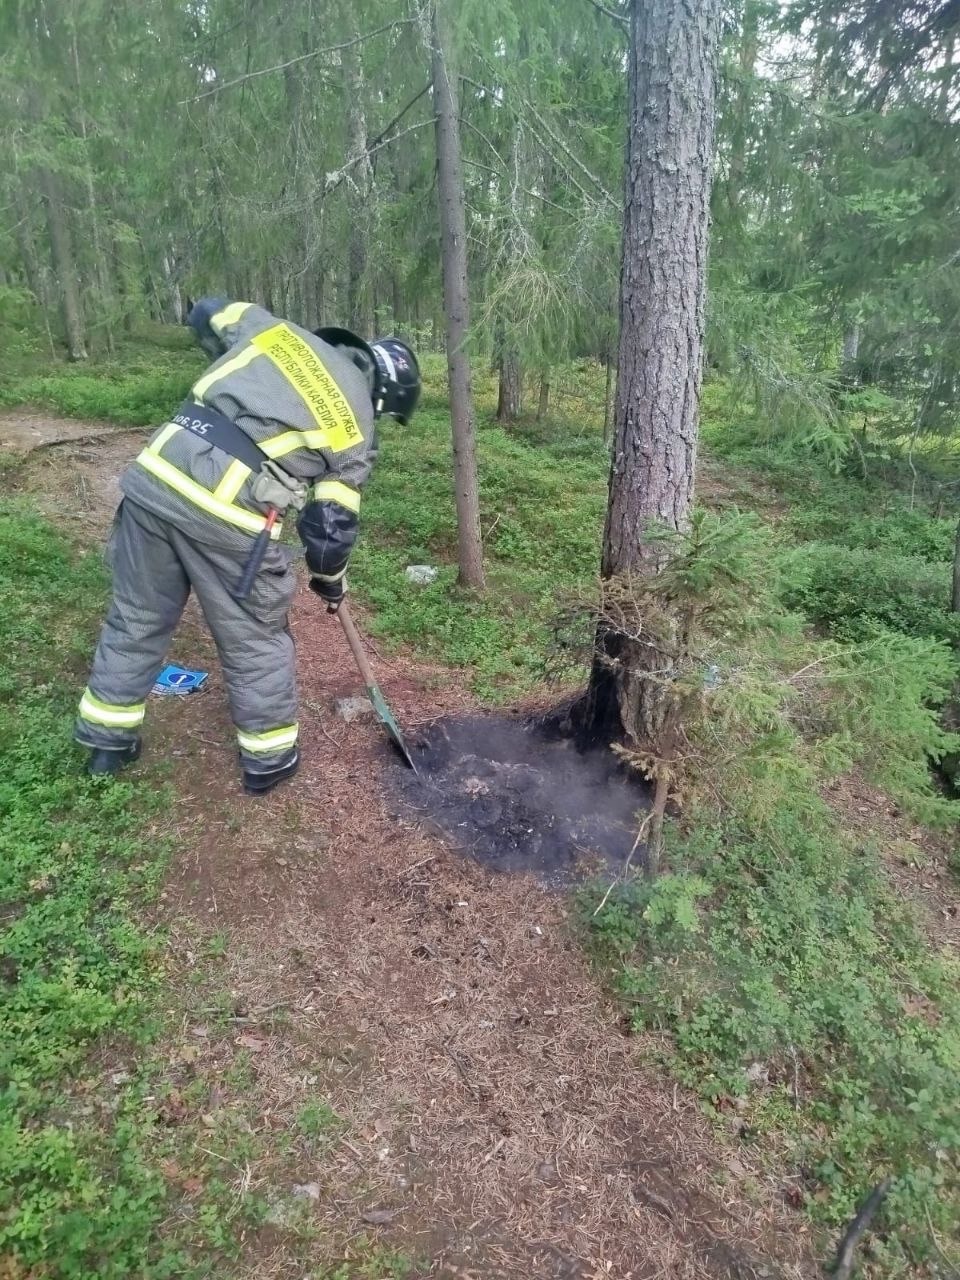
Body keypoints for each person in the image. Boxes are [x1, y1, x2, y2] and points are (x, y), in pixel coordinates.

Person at [74, 299, 420, 794]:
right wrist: (329, 583)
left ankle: (107, 744)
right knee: (255, 640)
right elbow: (328, 528)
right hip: (229, 517)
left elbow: (206, 313)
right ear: (382, 395)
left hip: (152, 480)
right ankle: (269, 760)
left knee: (137, 615)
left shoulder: (277, 332)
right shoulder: (358, 426)